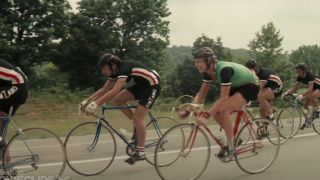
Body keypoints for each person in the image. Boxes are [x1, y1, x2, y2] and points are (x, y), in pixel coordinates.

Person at [179, 47, 259, 159]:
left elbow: (224, 97)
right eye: (195, 62)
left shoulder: (224, 70)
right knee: (217, 112)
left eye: (199, 62)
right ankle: (234, 138)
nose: (196, 65)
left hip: (250, 85)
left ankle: (231, 146)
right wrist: (188, 110)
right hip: (236, 85)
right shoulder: (208, 73)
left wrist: (207, 115)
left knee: (223, 110)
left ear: (208, 61)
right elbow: (201, 94)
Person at [81, 53, 161, 164]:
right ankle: (136, 126)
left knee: (139, 118)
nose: (103, 71)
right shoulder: (114, 72)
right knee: (118, 100)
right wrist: (88, 101)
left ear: (112, 65)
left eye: (104, 68)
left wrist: (96, 104)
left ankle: (141, 152)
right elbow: (104, 90)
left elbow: (115, 90)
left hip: (152, 86)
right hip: (141, 85)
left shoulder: (124, 68)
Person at [0, 58, 29, 161]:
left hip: (18, 86)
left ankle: (1, 143)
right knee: (2, 118)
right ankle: (5, 159)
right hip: (18, 86)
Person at [281, 63, 320, 128]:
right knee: (305, 105)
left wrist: (302, 95)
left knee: (311, 96)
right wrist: (286, 93)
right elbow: (295, 88)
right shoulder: (299, 77)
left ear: (304, 70)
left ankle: (318, 109)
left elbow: (310, 90)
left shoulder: (310, 75)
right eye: (297, 71)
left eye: (298, 71)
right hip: (314, 88)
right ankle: (307, 120)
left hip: (318, 87)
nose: (297, 72)